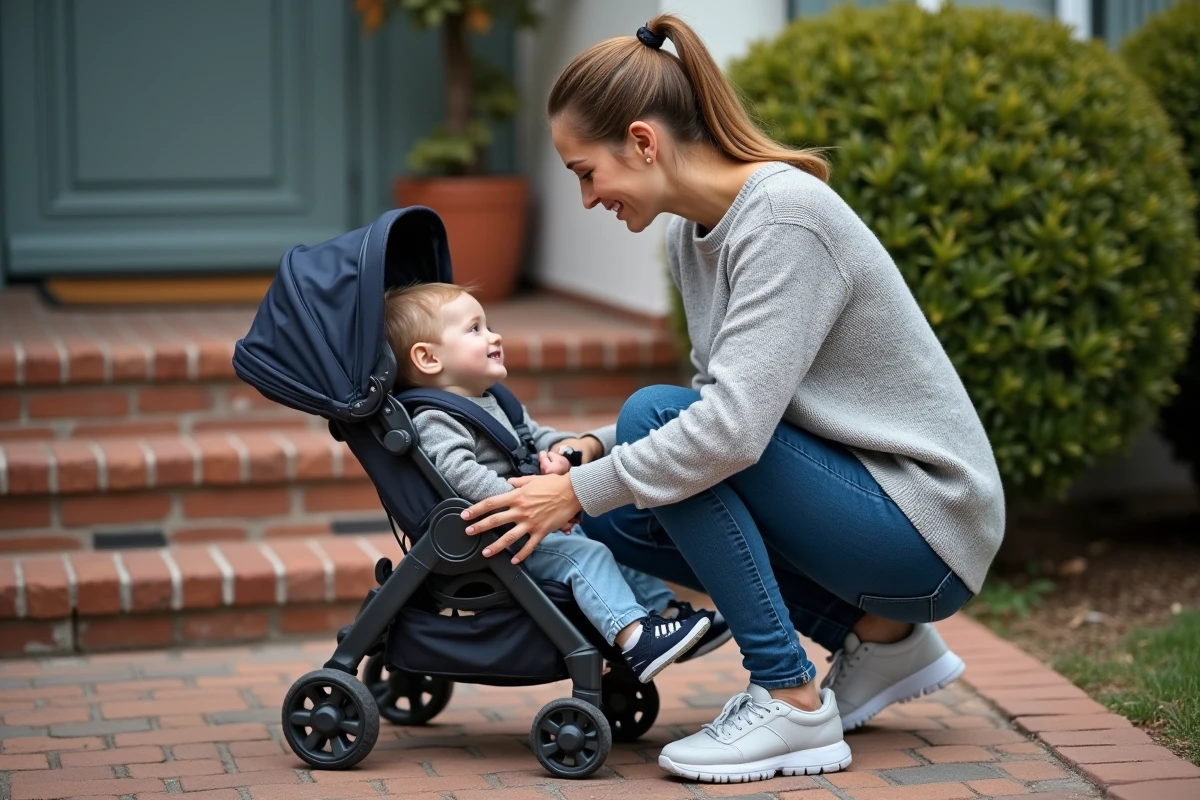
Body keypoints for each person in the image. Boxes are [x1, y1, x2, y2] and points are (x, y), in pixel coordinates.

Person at [456, 13, 1006, 784]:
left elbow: (729, 432)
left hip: (927, 520)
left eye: (586, 172)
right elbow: (718, 403)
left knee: (648, 442)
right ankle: (882, 641)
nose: (586, 199)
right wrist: (596, 452)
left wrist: (576, 489)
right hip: (872, 515)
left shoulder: (783, 218)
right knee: (627, 511)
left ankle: (790, 699)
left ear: (643, 142)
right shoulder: (693, 233)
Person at [384, 282, 730, 683]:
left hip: (524, 524)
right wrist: (529, 499)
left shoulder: (494, 400)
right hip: (497, 539)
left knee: (610, 547)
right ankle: (636, 638)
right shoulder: (435, 419)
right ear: (427, 358)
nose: (494, 335)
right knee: (588, 557)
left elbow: (534, 435)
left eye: (488, 324)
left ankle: (663, 618)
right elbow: (459, 473)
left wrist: (561, 452)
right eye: (474, 329)